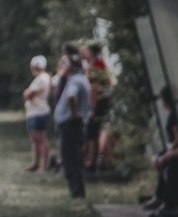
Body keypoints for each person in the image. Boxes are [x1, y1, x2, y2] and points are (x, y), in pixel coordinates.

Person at [142, 85, 178, 217]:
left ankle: (169, 202)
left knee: (169, 162)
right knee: (162, 159)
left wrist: (168, 152)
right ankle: (161, 197)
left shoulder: (175, 115)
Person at [52, 42, 92, 198]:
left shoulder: (75, 81)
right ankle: (77, 190)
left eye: (66, 64)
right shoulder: (81, 79)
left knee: (71, 160)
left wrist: (74, 112)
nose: (63, 67)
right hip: (73, 125)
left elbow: (71, 96)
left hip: (71, 125)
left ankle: (77, 191)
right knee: (74, 158)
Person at [79, 41, 114, 176]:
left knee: (92, 132)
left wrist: (92, 107)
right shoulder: (95, 64)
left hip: (99, 103)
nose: (84, 53)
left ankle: (93, 162)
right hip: (99, 102)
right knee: (93, 132)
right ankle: (96, 161)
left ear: (92, 52)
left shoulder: (97, 64)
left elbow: (94, 87)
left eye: (86, 50)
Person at [22, 55, 52, 172]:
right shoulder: (43, 78)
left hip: (39, 112)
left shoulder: (41, 79)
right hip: (35, 112)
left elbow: (28, 94)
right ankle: (35, 163)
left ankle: (44, 165)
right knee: (36, 140)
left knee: (41, 139)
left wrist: (26, 92)